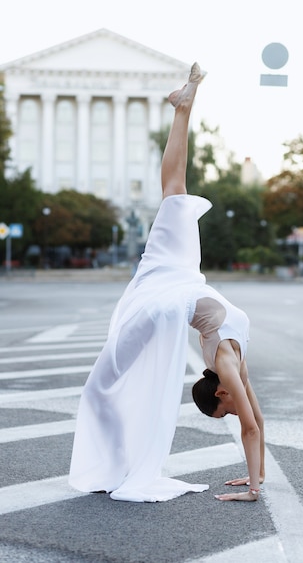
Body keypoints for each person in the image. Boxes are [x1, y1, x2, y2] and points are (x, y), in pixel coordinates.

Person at [69, 63, 264, 503]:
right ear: (219, 390)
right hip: (170, 287)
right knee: (173, 191)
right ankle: (184, 104)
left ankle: (184, 106)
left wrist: (258, 479)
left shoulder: (230, 364)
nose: (234, 410)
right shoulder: (230, 368)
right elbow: (254, 426)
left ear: (217, 391)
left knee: (174, 191)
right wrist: (253, 488)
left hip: (176, 280)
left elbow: (254, 424)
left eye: (224, 409)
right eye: (227, 409)